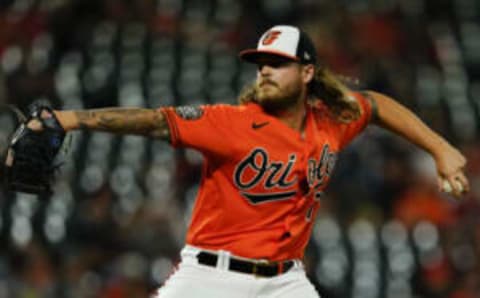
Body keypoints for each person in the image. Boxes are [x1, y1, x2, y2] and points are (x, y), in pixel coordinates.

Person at [32, 25, 469, 297]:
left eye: (277, 64)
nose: (264, 70)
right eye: (261, 62)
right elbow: (151, 121)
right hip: (210, 278)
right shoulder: (230, 123)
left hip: (285, 282)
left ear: (307, 73)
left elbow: (374, 104)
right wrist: (68, 119)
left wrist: (440, 149)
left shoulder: (331, 122)